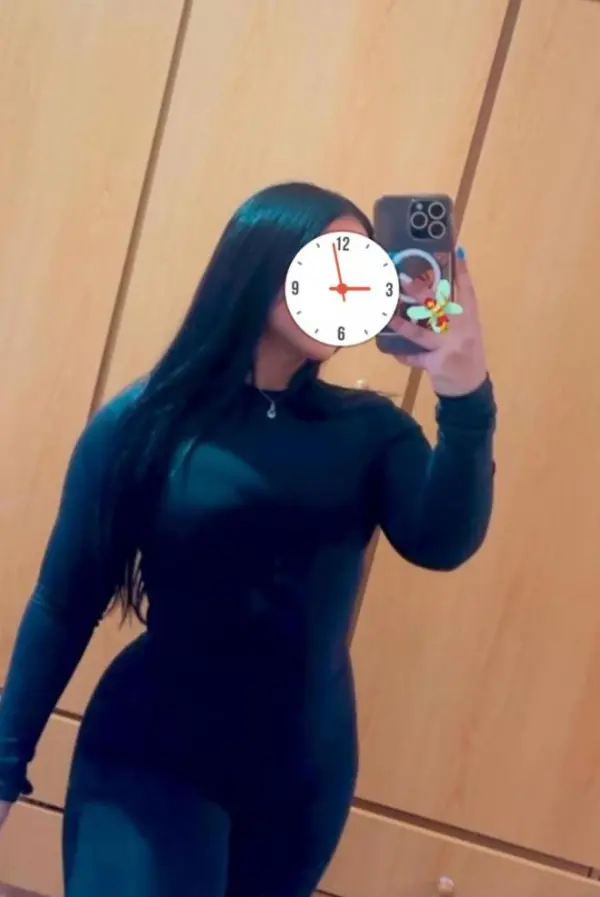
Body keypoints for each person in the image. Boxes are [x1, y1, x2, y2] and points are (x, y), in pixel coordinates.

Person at [0, 182, 496, 897]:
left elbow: (441, 541)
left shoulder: (370, 430)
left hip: (302, 779)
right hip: (153, 760)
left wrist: (466, 395)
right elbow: (63, 602)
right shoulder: (140, 424)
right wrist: (6, 764)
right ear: (260, 265)